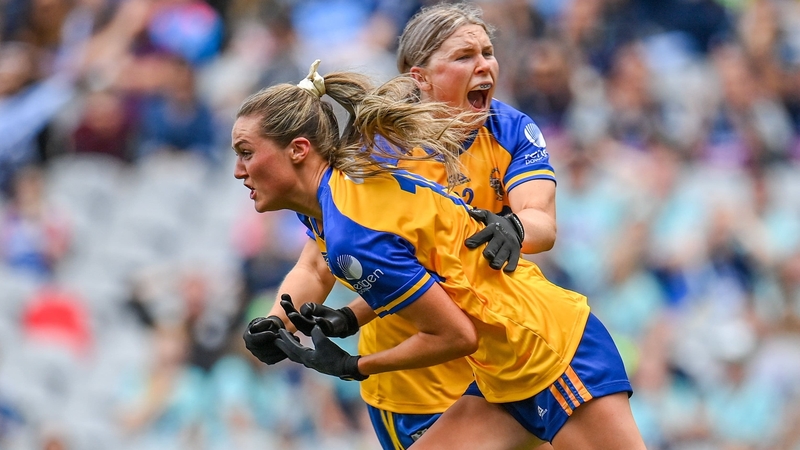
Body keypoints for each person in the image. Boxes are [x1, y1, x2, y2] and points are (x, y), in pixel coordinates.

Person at [231, 61, 646, 448]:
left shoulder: (349, 230)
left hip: (549, 353)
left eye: (246, 152)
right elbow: (429, 268)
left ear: (299, 149)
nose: (238, 169)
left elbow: (455, 335)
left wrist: (354, 365)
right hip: (502, 363)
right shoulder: (343, 195)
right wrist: (346, 317)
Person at [243, 4, 558, 448]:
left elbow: (541, 220)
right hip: (413, 387)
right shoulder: (374, 151)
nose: (484, 65)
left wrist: (516, 228)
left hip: (501, 366)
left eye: (488, 52)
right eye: (465, 56)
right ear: (420, 77)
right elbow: (317, 265)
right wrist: (278, 323)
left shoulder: (511, 130)